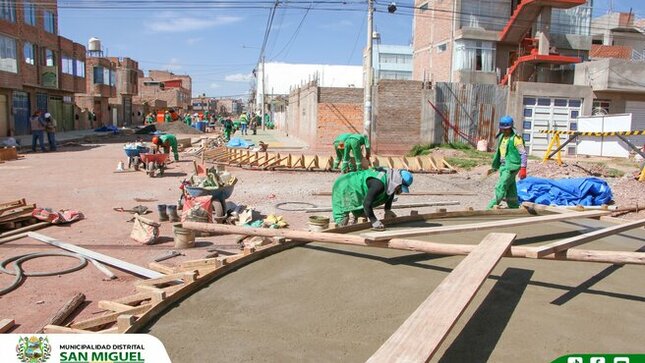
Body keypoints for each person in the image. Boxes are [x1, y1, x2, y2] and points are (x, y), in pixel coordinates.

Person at [332, 167, 413, 230]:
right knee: (342, 221)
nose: (400, 191)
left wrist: (387, 210)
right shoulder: (379, 184)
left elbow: (390, 193)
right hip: (345, 185)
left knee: (362, 217)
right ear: (397, 182)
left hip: (358, 191)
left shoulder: (391, 178)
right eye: (400, 188)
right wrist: (374, 221)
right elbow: (367, 204)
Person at [486, 115, 528, 209]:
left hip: (512, 167)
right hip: (504, 166)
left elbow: (523, 154)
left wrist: (523, 168)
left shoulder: (516, 139)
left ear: (511, 128)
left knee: (502, 185)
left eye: (507, 129)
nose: (504, 131)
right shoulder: (502, 137)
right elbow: (500, 154)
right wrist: (495, 167)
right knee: (511, 187)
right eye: (503, 129)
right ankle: (514, 206)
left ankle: (490, 206)